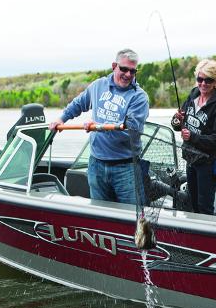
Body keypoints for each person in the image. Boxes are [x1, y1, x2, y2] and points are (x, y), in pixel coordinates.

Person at [49, 48, 149, 205]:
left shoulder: (139, 97)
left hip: (126, 167)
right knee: (100, 214)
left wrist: (97, 127)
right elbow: (78, 104)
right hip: (96, 164)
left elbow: (131, 131)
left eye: (132, 71)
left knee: (133, 219)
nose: (128, 75)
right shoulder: (98, 86)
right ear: (114, 66)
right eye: (124, 69)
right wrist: (61, 119)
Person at [171, 59, 216, 215]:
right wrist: (177, 119)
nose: (203, 84)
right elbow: (178, 125)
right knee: (192, 204)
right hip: (191, 159)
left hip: (208, 163)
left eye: (208, 80)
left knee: (204, 207)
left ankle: (208, 238)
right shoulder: (193, 95)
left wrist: (192, 137)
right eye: (200, 79)